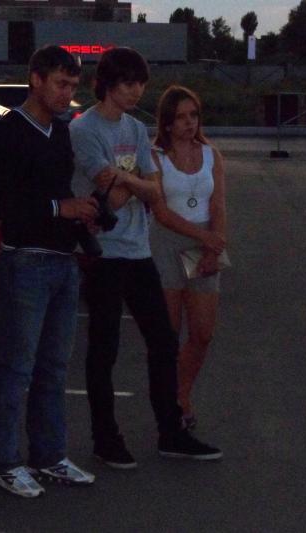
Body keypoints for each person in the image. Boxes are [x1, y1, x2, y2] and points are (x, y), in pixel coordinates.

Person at [70, 47, 222, 469]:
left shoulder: (136, 128)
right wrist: (133, 181)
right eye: (128, 83)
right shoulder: (85, 129)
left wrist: (125, 180)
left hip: (138, 251)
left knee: (163, 342)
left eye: (141, 83)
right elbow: (111, 196)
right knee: (104, 348)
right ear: (107, 84)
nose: (137, 90)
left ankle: (171, 432)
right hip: (103, 253)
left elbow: (154, 191)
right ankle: (106, 439)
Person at [0, 45, 99, 498]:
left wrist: (80, 215)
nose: (68, 93)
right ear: (36, 79)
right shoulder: (6, 132)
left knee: (53, 367)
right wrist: (58, 207)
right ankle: (4, 463)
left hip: (63, 260)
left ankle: (49, 456)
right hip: (25, 261)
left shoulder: (61, 132)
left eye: (73, 85)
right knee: (16, 368)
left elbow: (58, 191)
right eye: (61, 84)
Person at [149, 85, 228, 429]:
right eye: (181, 117)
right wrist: (204, 238)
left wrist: (214, 244)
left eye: (193, 115)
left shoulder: (212, 155)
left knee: (203, 333)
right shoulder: (155, 157)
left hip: (205, 242)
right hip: (167, 242)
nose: (189, 122)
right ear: (167, 122)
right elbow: (161, 212)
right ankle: (172, 403)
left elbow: (218, 204)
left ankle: (182, 392)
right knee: (169, 334)